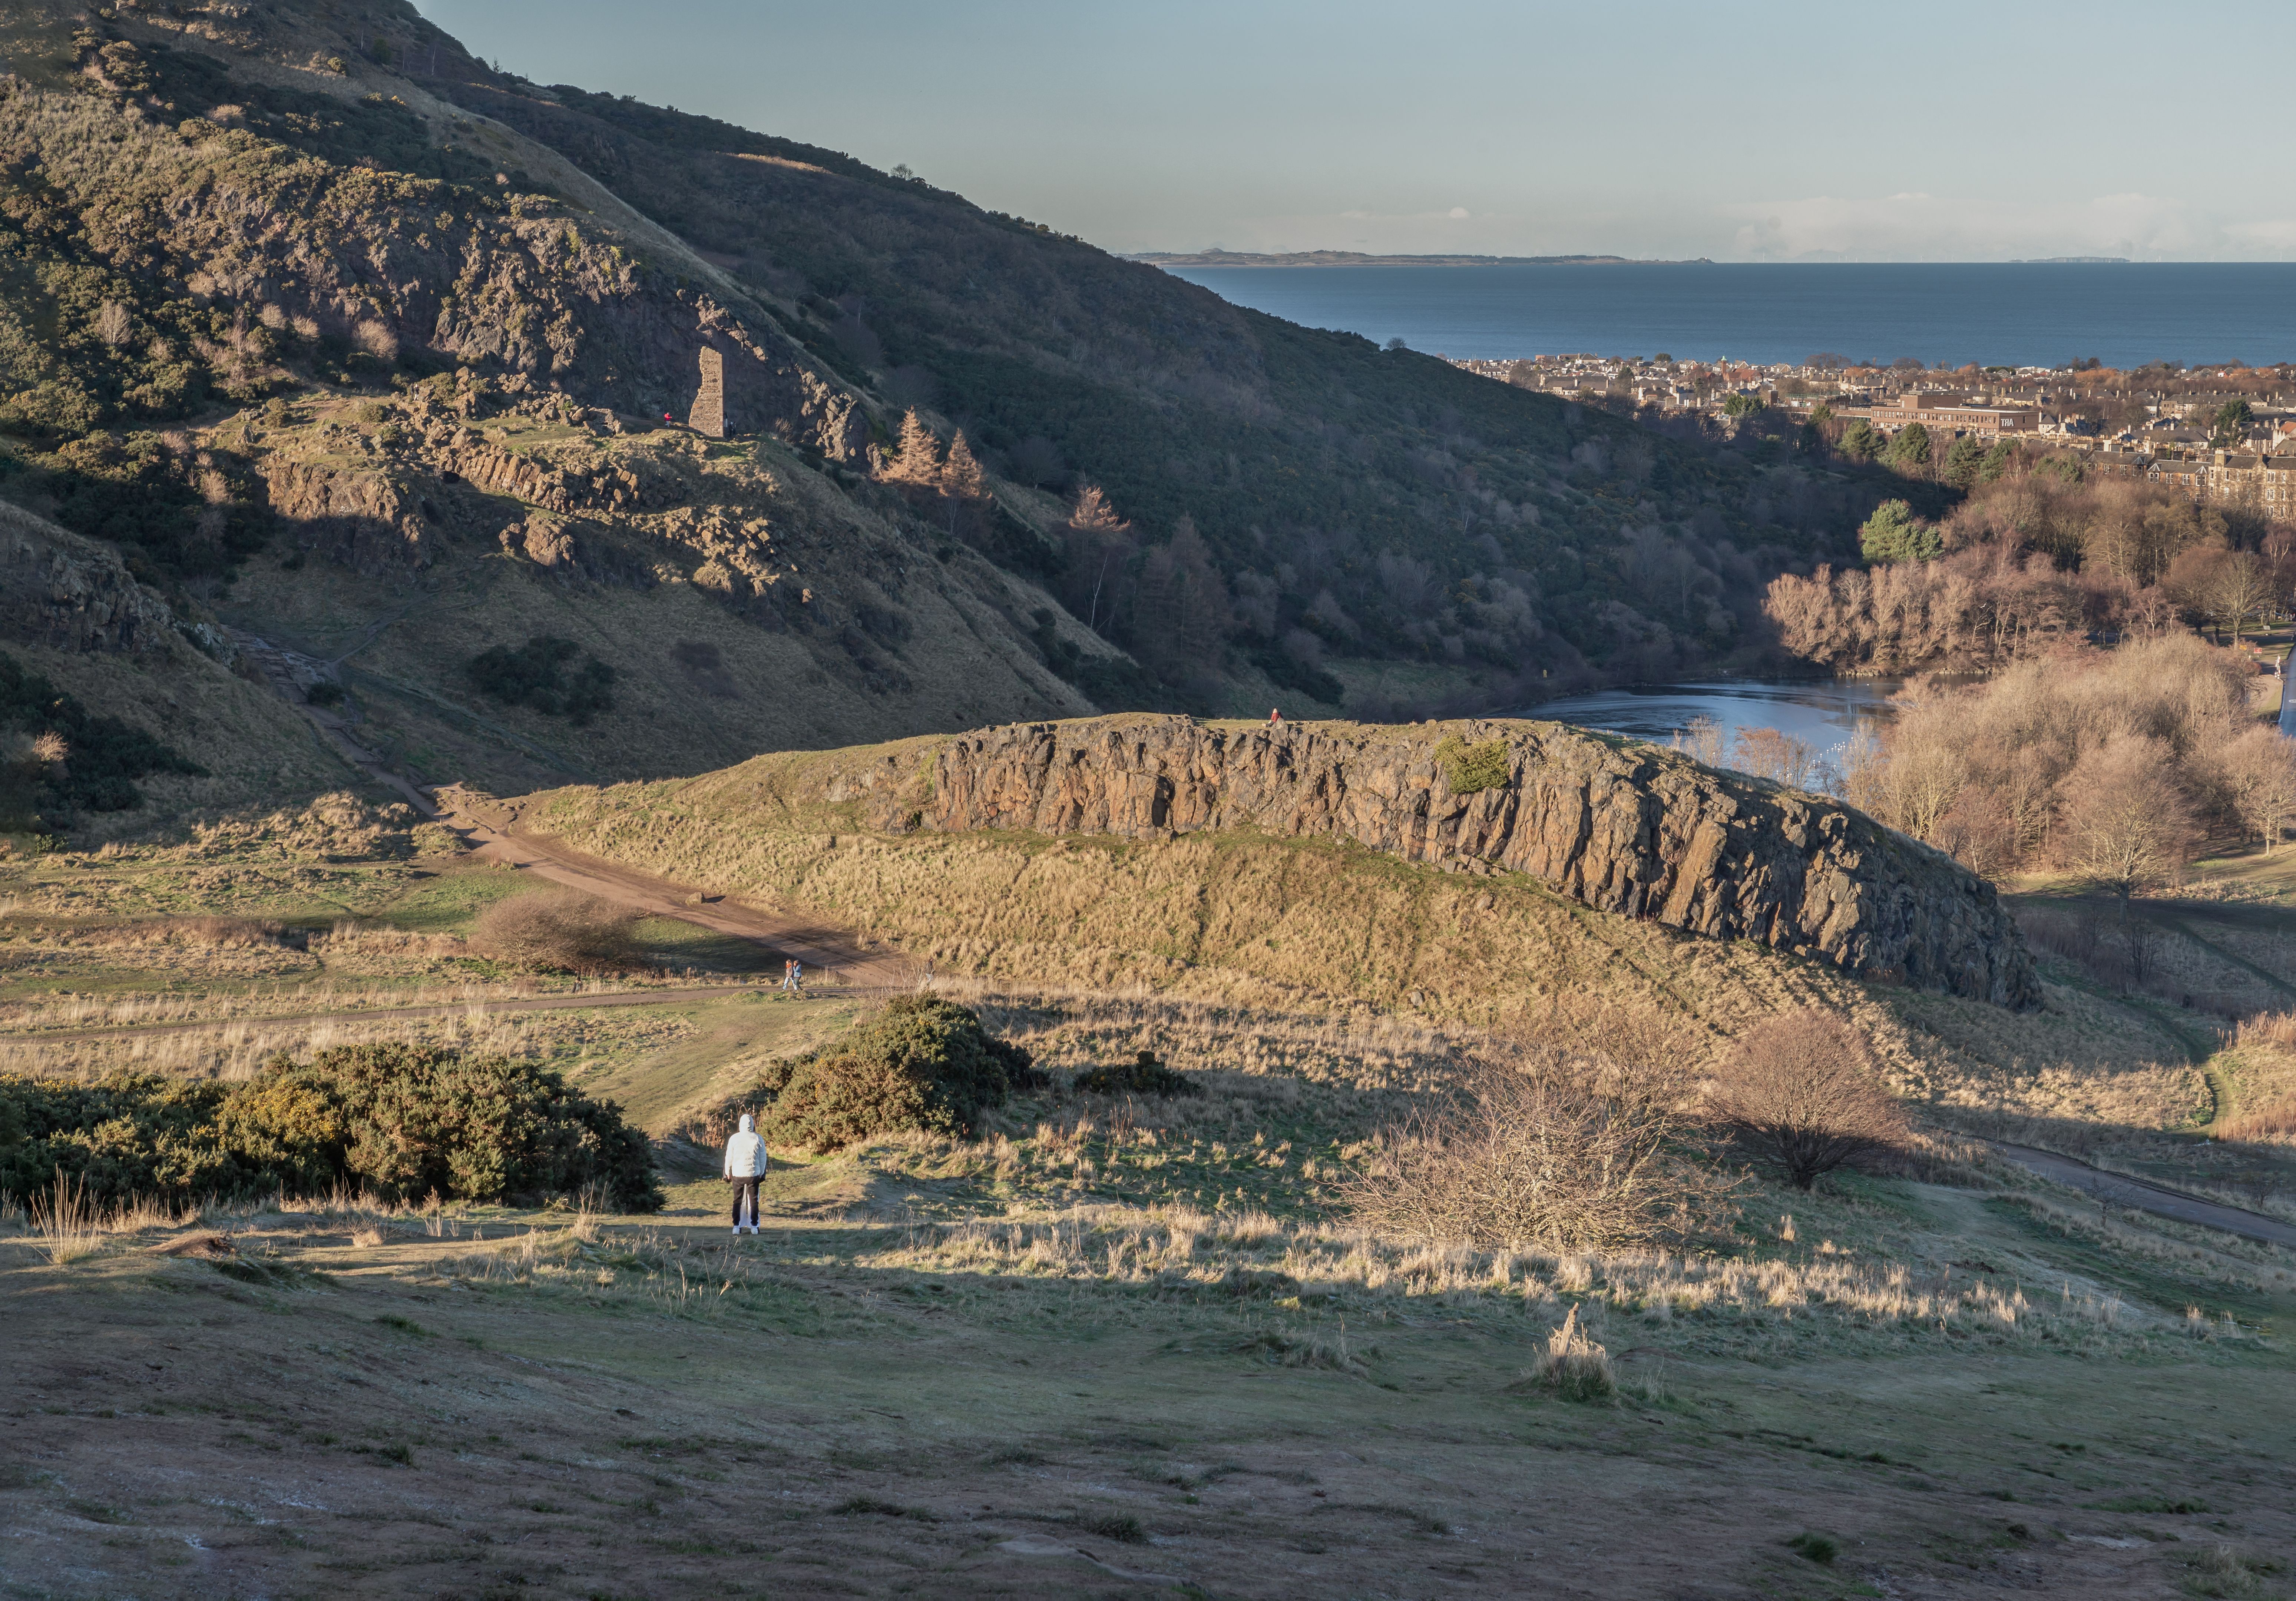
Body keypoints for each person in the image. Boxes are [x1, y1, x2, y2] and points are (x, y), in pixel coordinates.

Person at [724, 1113, 767, 1235]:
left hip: (738, 1174)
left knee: (737, 1201)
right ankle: (754, 1226)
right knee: (754, 1201)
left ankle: (737, 1226)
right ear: (753, 1125)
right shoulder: (758, 1138)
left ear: (740, 1125)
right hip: (753, 1174)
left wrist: (728, 1172)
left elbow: (729, 1157)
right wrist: (761, 1173)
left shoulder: (734, 1139)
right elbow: (763, 1158)